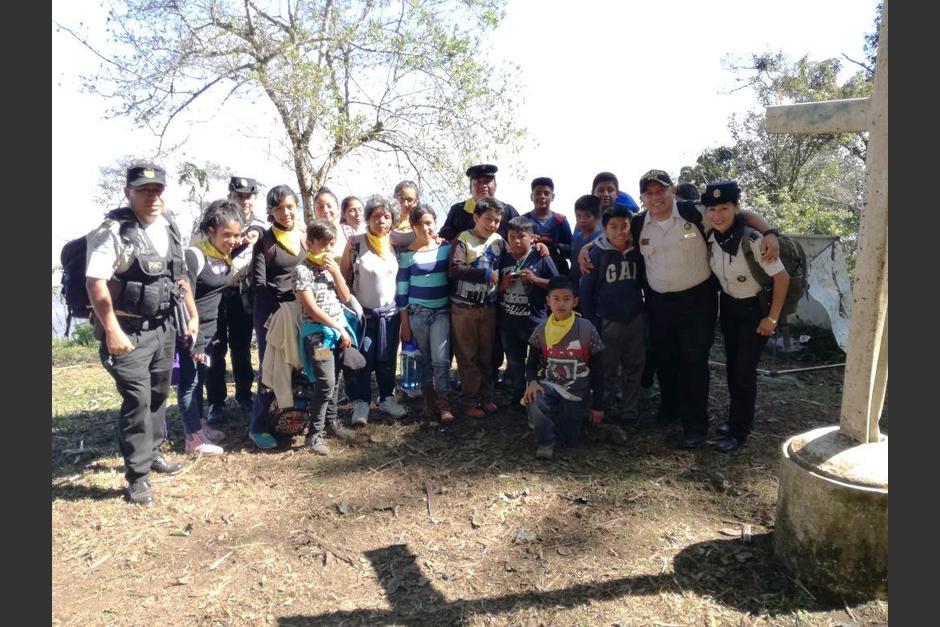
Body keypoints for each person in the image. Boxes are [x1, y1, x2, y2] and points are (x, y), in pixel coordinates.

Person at [578, 169, 780, 449]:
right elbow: (614, 237)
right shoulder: (637, 225)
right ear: (642, 198)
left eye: (660, 190)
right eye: (648, 193)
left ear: (672, 190)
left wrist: (769, 232)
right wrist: (585, 248)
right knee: (666, 360)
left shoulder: (693, 212)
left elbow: (739, 215)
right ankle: (669, 411)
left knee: (694, 363)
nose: (655, 197)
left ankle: (696, 425)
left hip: (697, 302)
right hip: (659, 304)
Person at [85, 161, 199, 505]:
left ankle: (152, 454)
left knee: (159, 394)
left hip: (164, 328)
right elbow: (95, 283)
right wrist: (112, 330)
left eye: (158, 189)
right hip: (128, 331)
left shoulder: (169, 226)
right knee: (137, 401)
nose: (152, 196)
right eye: (144, 190)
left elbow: (179, 278)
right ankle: (137, 476)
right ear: (128, 192)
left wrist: (192, 316)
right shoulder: (113, 232)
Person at [704, 180, 790, 452]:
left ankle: (740, 432)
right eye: (712, 209)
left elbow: (782, 278)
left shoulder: (752, 239)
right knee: (732, 367)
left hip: (755, 312)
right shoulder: (713, 236)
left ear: (736, 209)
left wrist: (772, 319)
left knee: (744, 371)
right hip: (730, 308)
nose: (717, 215)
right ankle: (734, 420)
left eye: (724, 208)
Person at [176, 199, 244, 455]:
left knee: (201, 378)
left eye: (236, 235)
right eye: (226, 234)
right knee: (190, 382)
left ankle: (199, 424)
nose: (232, 240)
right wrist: (192, 324)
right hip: (190, 329)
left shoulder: (222, 257)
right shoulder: (194, 255)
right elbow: (184, 290)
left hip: (210, 330)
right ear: (210, 231)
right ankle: (192, 437)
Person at [248, 185, 307, 449]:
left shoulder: (304, 236)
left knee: (300, 363)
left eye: (290, 206)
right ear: (271, 211)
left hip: (302, 309)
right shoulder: (265, 240)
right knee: (271, 367)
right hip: (272, 312)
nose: (286, 213)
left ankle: (289, 419)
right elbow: (258, 283)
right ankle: (258, 425)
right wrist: (274, 314)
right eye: (279, 208)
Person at [293, 220, 360, 454]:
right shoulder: (302, 271)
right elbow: (311, 309)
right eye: (322, 246)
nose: (327, 251)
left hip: (338, 333)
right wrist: (338, 329)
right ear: (309, 243)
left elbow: (345, 296)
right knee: (325, 382)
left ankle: (332, 423)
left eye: (331, 245)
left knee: (336, 378)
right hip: (318, 337)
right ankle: (314, 433)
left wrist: (335, 272)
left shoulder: (330, 268)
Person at [341, 194, 408, 425]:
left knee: (387, 358)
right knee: (363, 359)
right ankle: (361, 403)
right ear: (368, 218)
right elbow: (343, 278)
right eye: (377, 216)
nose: (382, 221)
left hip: (390, 316)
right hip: (363, 317)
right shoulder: (355, 244)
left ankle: (387, 398)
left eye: (387, 216)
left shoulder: (396, 244)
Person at [205, 176, 267, 424]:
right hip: (215, 293)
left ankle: (244, 395)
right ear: (230, 195)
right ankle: (216, 403)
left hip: (244, 294)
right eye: (239, 195)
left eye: (248, 196)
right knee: (215, 347)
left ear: (254, 198)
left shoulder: (261, 226)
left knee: (241, 346)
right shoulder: (213, 220)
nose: (244, 200)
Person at [524, 276, 606, 460]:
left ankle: (572, 420)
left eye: (567, 299)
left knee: (569, 440)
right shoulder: (541, 329)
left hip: (578, 392)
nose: (561, 303)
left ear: (575, 301)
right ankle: (545, 442)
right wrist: (531, 382)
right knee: (533, 398)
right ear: (548, 301)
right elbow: (531, 363)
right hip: (551, 386)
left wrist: (597, 406)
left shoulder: (586, 329)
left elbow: (599, 370)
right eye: (556, 298)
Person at [579, 205, 646, 424]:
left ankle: (630, 409)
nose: (620, 232)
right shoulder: (596, 253)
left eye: (624, 226)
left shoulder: (638, 252)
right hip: (607, 320)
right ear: (604, 229)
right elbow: (586, 291)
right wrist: (590, 323)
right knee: (606, 367)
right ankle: (603, 406)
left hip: (635, 317)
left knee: (633, 365)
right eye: (613, 227)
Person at [448, 197, 508, 418]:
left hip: (488, 307)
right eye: (488, 219)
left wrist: (538, 245)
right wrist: (484, 274)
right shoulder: (463, 238)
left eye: (497, 220)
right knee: (467, 356)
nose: (492, 224)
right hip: (463, 309)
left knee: (486, 355)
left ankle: (486, 397)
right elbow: (455, 269)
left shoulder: (499, 241)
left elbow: (514, 257)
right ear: (476, 217)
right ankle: (469, 401)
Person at [396, 204, 455, 424]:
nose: (425, 228)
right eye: (419, 224)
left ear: (435, 223)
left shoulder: (445, 248)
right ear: (413, 226)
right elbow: (402, 291)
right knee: (425, 360)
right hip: (417, 314)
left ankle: (444, 403)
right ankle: (429, 404)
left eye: (428, 222)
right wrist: (405, 323)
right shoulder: (407, 255)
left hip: (441, 312)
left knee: (441, 359)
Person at [497, 217, 558, 408]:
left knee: (538, 363)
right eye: (512, 236)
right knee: (514, 362)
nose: (516, 241)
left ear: (532, 238)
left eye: (521, 236)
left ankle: (539, 398)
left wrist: (535, 279)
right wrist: (502, 285)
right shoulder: (503, 258)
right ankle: (518, 397)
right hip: (509, 323)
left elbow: (558, 285)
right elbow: (493, 287)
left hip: (535, 323)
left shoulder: (541, 256)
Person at [438, 164, 520, 241]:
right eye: (478, 182)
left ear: (495, 186)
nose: (483, 186)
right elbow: (444, 237)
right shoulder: (457, 210)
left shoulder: (508, 211)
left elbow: (523, 235)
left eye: (487, 181)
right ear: (470, 188)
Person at [521, 177, 572, 273]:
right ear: (531, 196)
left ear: (553, 197)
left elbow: (571, 250)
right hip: (529, 272)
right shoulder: (523, 220)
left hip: (557, 272)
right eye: (538, 193)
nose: (542, 196)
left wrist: (554, 246)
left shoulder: (560, 220)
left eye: (546, 193)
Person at [569, 194, 603, 290]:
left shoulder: (601, 238)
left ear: (597, 216)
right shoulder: (576, 237)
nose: (582, 220)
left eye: (587, 216)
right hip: (574, 288)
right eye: (578, 216)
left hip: (593, 289)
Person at [314, 187, 353, 264]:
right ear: (314, 210)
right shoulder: (308, 235)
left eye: (329, 206)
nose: (325, 210)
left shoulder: (349, 232)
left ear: (338, 208)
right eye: (321, 207)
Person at [391, 180, 420, 249]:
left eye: (410, 200)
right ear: (394, 199)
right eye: (401, 199)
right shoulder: (386, 223)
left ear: (416, 201)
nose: (405, 204)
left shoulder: (421, 224)